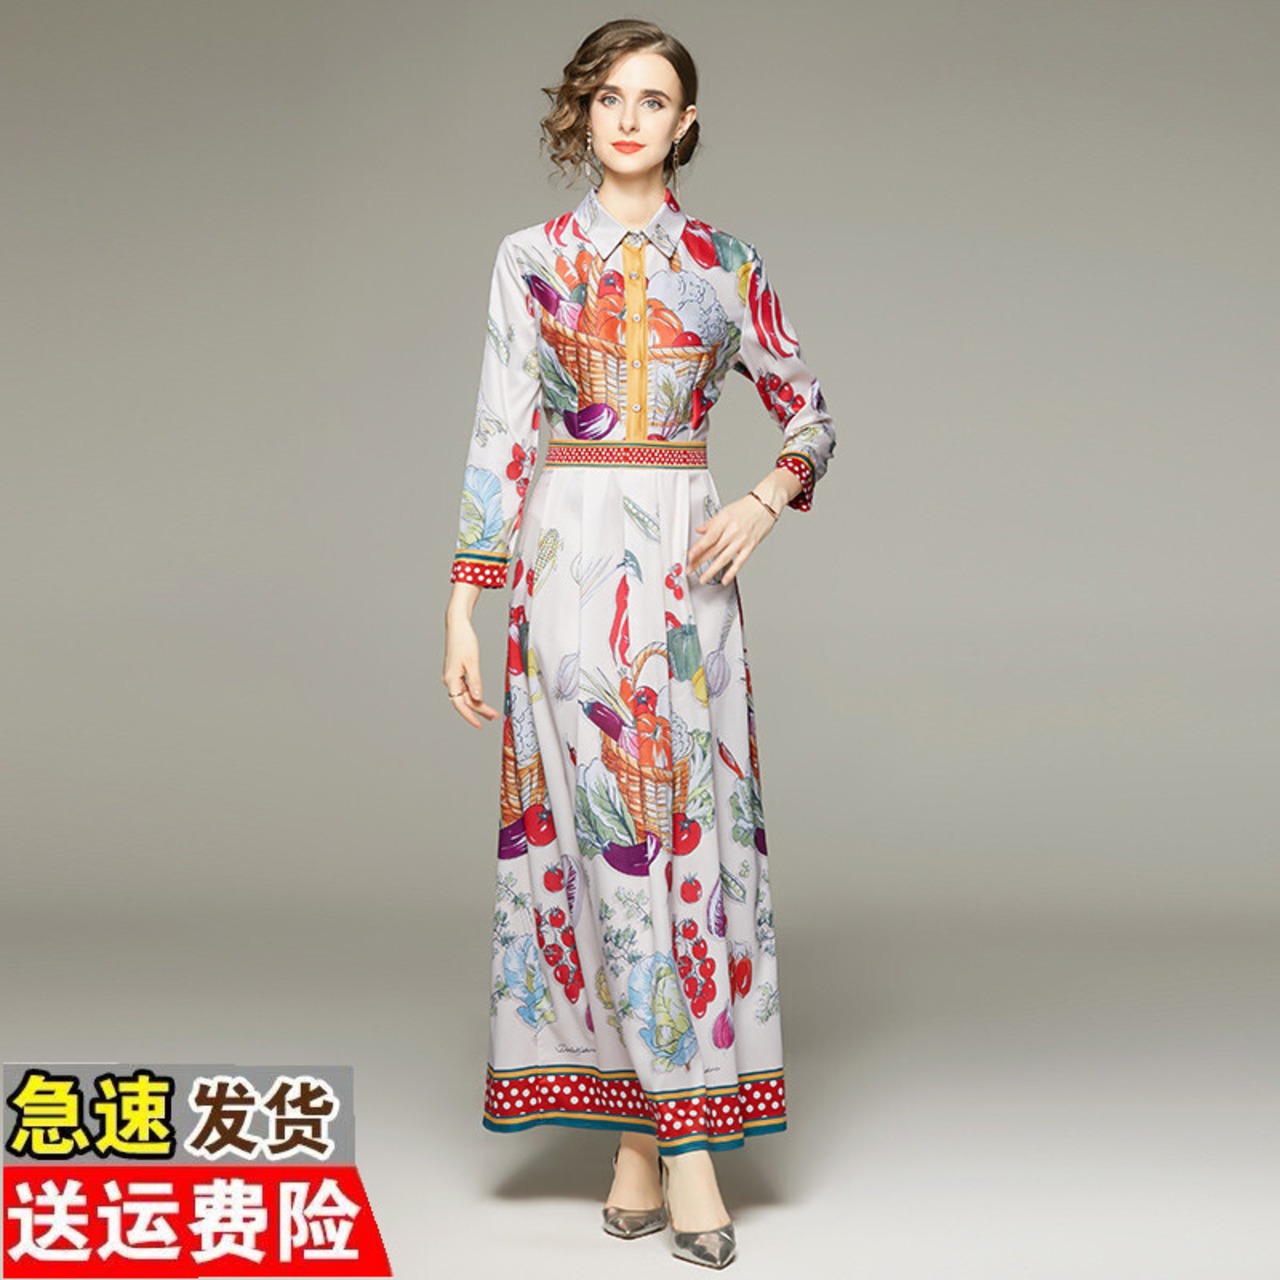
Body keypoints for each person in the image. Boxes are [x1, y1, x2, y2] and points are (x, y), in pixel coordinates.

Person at [442, 18, 835, 1270]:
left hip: (684, 574)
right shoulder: (529, 257)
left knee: (683, 840)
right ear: (584, 111)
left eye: (652, 99)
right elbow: (500, 430)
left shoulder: (723, 263)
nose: (627, 118)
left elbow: (809, 411)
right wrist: (464, 600)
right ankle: (683, 1143)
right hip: (563, 571)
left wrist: (763, 497)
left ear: (684, 123)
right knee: (593, 836)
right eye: (609, 96)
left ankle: (644, 1139)